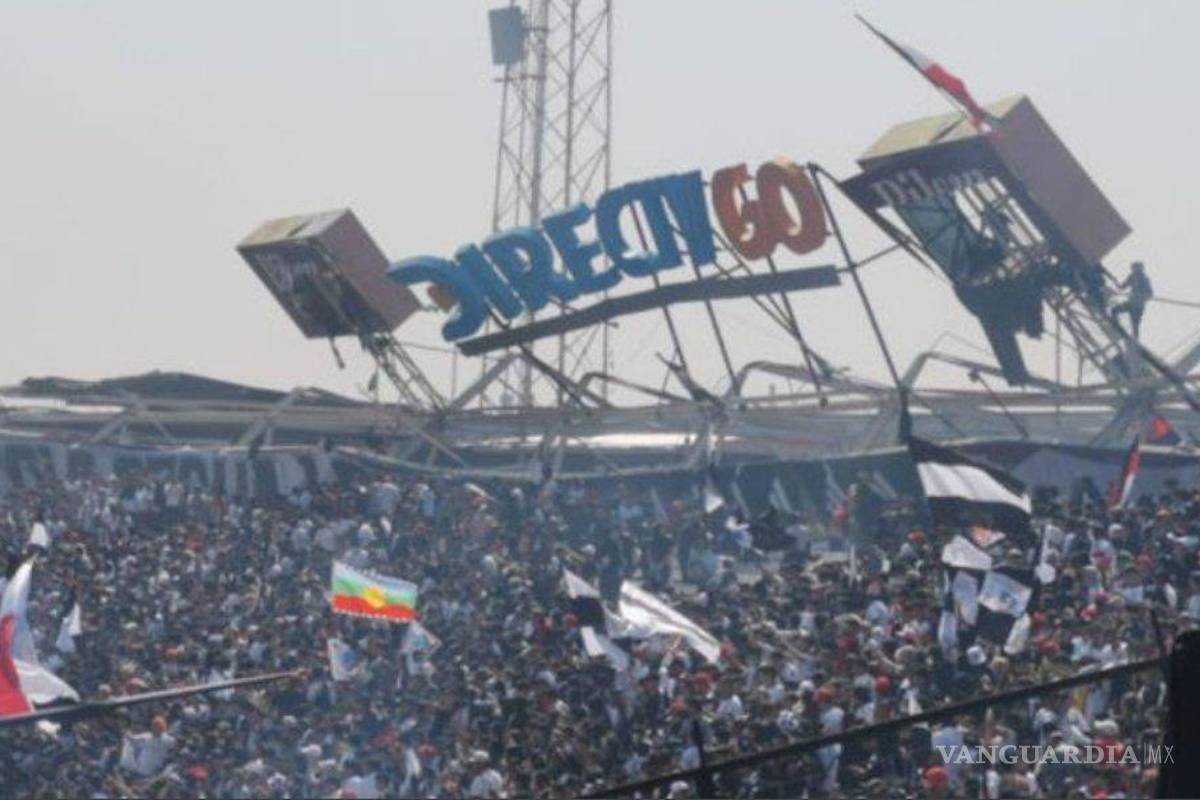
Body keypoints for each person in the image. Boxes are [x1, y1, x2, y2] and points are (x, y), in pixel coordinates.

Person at [1112, 261, 1153, 339]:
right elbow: (1122, 287)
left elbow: (1150, 294)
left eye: (1136, 269)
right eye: (1134, 269)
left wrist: (1142, 296)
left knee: (1135, 324)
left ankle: (1135, 341)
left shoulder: (1145, 279)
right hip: (1131, 303)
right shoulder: (1132, 277)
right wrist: (1116, 282)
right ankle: (1116, 326)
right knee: (1114, 310)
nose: (1134, 271)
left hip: (1138, 306)